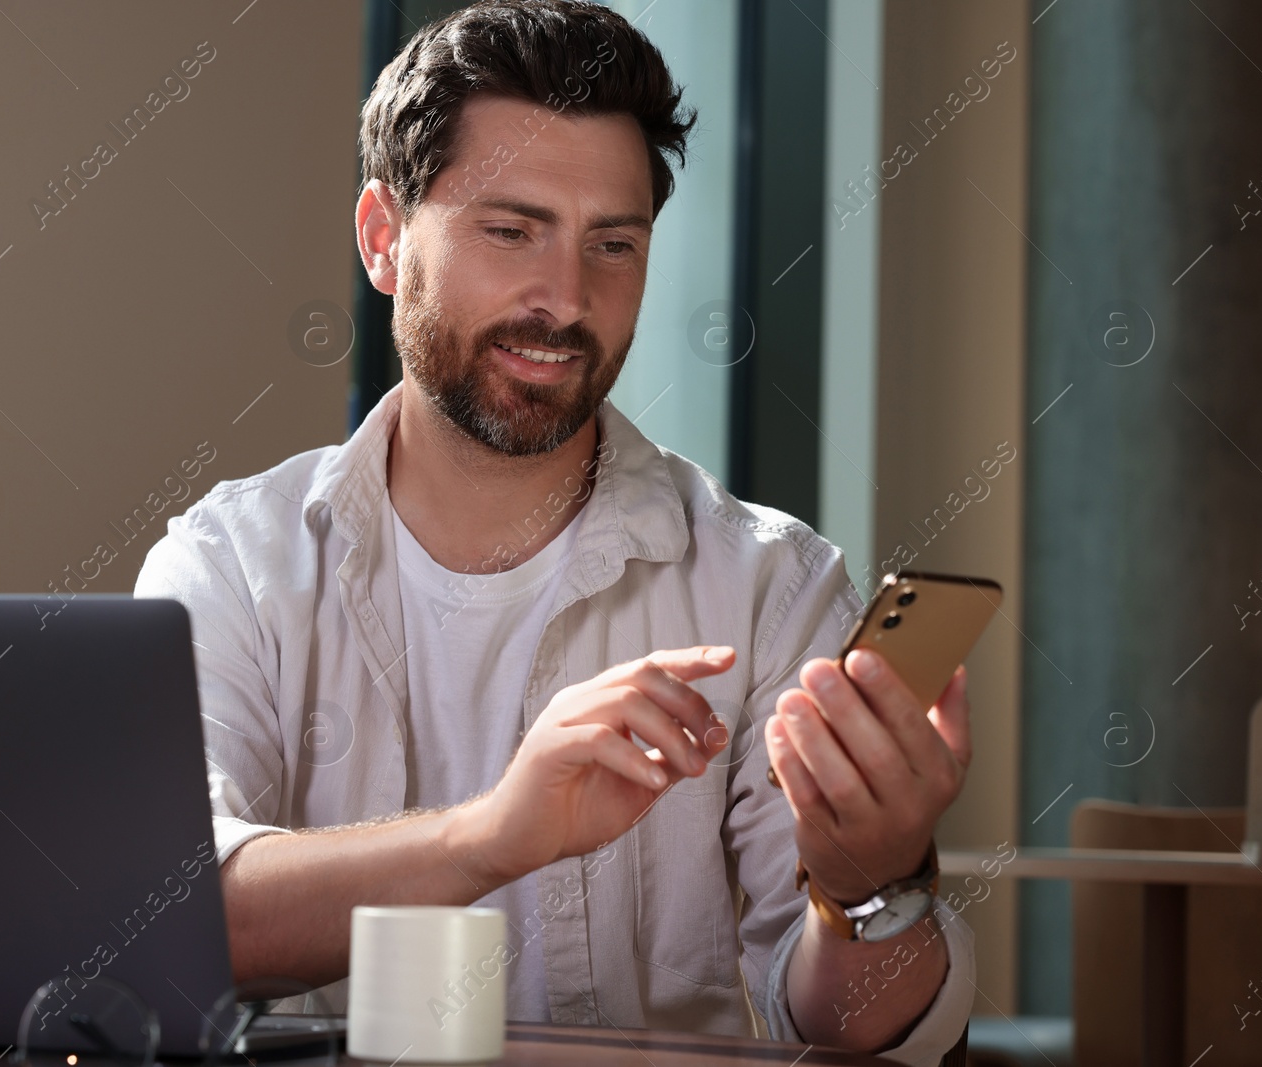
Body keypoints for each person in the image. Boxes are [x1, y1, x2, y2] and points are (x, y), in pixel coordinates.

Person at [135, 2, 974, 1062]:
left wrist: (870, 892)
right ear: (384, 239)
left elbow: (846, 1033)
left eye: (611, 244)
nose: (566, 299)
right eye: (510, 230)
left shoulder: (770, 586)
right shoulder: (231, 567)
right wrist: (494, 834)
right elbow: (176, 918)